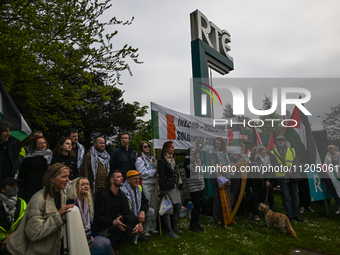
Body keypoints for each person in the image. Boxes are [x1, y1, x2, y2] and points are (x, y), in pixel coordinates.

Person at [7, 163, 73, 255]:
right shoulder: (38, 199)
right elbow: (34, 233)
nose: (67, 180)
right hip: (33, 251)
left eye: (68, 176)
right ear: (52, 179)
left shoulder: (61, 194)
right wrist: (58, 215)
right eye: (64, 177)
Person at [94, 170, 141, 250]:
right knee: (121, 223)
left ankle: (111, 243)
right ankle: (106, 244)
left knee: (128, 221)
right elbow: (97, 218)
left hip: (114, 224)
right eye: (119, 177)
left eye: (122, 176)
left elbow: (126, 211)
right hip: (101, 228)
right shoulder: (103, 196)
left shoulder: (120, 194)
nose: (122, 178)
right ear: (112, 180)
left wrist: (138, 223)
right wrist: (112, 222)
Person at [66, 177, 112, 255]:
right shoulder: (70, 202)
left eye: (87, 184)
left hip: (89, 234)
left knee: (108, 245)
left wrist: (91, 236)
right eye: (82, 185)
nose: (86, 186)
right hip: (76, 237)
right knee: (104, 245)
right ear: (76, 188)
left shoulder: (88, 202)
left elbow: (92, 222)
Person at [269, 135, 303, 222]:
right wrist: (285, 169)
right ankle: (289, 215)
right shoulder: (273, 152)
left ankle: (296, 215)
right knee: (286, 197)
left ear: (285, 141)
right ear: (276, 142)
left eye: (282, 140)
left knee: (295, 196)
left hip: (293, 176)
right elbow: (274, 163)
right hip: (282, 177)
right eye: (279, 140)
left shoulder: (293, 150)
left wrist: (291, 170)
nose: (281, 142)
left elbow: (297, 162)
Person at [158, 141, 183, 238]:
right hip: (167, 187)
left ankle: (174, 227)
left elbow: (178, 172)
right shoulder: (162, 161)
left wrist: (180, 183)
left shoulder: (173, 159)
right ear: (166, 149)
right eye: (171, 147)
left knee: (177, 206)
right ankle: (169, 230)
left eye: (173, 147)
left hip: (175, 186)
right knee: (167, 208)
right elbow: (162, 176)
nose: (174, 149)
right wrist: (164, 191)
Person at [120, 170, 154, 243]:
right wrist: (137, 222)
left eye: (138, 178)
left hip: (137, 214)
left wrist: (142, 211)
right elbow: (125, 210)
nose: (137, 180)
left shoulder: (139, 188)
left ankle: (140, 234)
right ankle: (126, 235)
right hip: (127, 216)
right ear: (128, 180)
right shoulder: (123, 190)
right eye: (135, 179)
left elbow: (145, 202)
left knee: (150, 211)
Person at [19, 135, 53, 203]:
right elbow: (22, 175)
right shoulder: (29, 159)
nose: (43, 145)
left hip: (47, 187)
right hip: (32, 187)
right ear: (35, 145)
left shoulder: (51, 156)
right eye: (40, 143)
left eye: (44, 142)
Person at [135, 141, 159, 236]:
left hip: (154, 184)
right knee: (148, 207)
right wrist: (154, 171)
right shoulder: (139, 160)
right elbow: (143, 174)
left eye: (148, 146)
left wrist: (156, 167)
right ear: (141, 148)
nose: (147, 148)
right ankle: (145, 229)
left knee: (154, 207)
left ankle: (153, 227)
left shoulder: (153, 159)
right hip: (145, 185)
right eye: (145, 147)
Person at [209, 137, 233, 226]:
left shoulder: (225, 153)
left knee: (227, 199)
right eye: (216, 143)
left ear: (222, 144)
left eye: (219, 144)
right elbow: (212, 167)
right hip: (217, 179)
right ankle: (217, 219)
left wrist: (228, 178)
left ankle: (227, 217)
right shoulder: (211, 153)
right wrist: (221, 178)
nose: (217, 145)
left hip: (226, 179)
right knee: (217, 200)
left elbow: (228, 166)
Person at [0, 177, 26, 254]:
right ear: (3, 190)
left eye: (16, 186)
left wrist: (11, 237)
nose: (15, 188)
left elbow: (25, 223)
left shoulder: (22, 203)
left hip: (15, 243)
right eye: (11, 186)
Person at [184, 147, 204, 232]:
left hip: (199, 184)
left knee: (199, 205)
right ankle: (192, 224)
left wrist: (203, 182)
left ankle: (197, 222)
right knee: (196, 205)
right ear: (189, 153)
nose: (194, 152)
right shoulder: (187, 160)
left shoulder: (199, 160)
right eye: (192, 151)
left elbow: (202, 171)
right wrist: (196, 166)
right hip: (193, 185)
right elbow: (193, 170)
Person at [324, 145, 340, 214]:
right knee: (336, 191)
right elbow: (325, 165)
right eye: (328, 149)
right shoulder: (327, 156)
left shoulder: (339, 155)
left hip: (339, 174)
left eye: (331, 148)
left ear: (334, 148)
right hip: (332, 175)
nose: (329, 149)